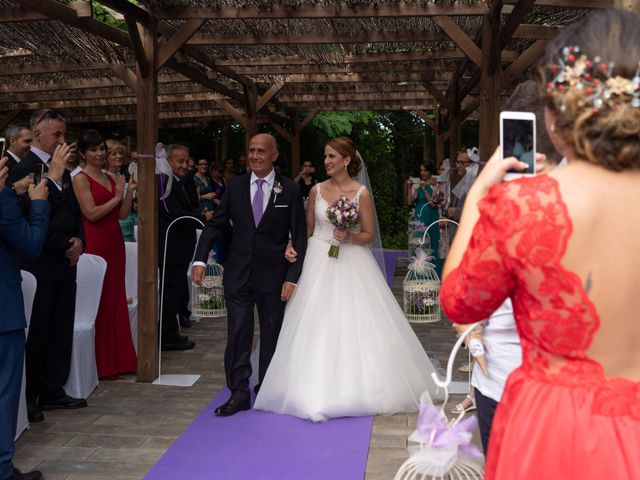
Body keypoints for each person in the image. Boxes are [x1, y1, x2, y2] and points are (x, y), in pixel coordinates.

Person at [440, 9, 640, 479]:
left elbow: (459, 303)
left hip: (556, 430)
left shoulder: (525, 207)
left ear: (553, 117)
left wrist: (480, 199)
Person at [254, 137, 440, 422]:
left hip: (351, 259)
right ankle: (305, 385)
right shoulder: (315, 190)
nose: (326, 161)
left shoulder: (361, 193)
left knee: (352, 320)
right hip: (318, 258)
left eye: (331, 157)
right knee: (313, 321)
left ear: (346, 160)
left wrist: (349, 236)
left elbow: (368, 234)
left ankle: (354, 384)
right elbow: (308, 229)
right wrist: (292, 244)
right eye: (325, 156)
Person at [192, 133, 307, 417]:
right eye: (252, 151)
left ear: (274, 155)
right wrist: (199, 259)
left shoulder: (290, 190)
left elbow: (301, 237)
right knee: (239, 332)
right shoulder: (235, 186)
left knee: (271, 334)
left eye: (261, 152)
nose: (255, 156)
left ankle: (266, 387)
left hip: (274, 276)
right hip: (238, 273)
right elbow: (215, 225)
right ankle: (238, 392)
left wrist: (292, 277)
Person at [21, 110, 86, 424]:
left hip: (65, 264)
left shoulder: (66, 172)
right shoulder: (26, 169)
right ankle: (30, 396)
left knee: (60, 327)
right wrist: (63, 244)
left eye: (64, 134)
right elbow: (33, 217)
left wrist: (80, 241)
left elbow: (74, 213)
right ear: (38, 134)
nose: (63, 141)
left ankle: (53, 389)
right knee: (38, 333)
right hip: (40, 264)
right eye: (56, 135)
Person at [72, 130, 137, 379]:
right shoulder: (80, 178)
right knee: (98, 299)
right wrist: (117, 196)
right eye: (94, 150)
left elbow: (122, 215)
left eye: (102, 149)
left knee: (115, 298)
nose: (100, 154)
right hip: (95, 241)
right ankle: (100, 363)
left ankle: (120, 360)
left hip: (114, 240)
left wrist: (128, 191)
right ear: (83, 153)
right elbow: (91, 213)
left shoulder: (111, 176)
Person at [0, 156, 49, 480]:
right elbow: (30, 245)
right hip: (3, 314)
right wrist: (38, 205)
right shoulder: (2, 202)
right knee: (4, 392)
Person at [158, 145, 206, 350]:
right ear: (168, 161)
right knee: (170, 292)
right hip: (170, 248)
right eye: (180, 161)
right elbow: (174, 213)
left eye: (187, 161)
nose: (185, 165)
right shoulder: (164, 183)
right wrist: (203, 218)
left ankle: (171, 331)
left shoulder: (181, 181)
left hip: (180, 248)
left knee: (176, 291)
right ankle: (167, 336)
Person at [407, 162, 442, 276]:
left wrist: (425, 189)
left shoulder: (436, 184)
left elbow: (433, 204)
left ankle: (434, 274)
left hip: (432, 215)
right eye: (421, 170)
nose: (423, 173)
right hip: (420, 215)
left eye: (425, 170)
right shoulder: (416, 185)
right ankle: (420, 274)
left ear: (430, 171)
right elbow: (409, 202)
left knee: (433, 242)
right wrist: (409, 187)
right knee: (420, 243)